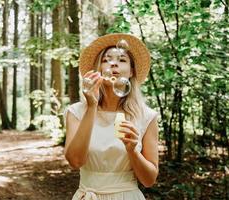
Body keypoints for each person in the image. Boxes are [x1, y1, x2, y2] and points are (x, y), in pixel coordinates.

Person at [64, 33, 159, 200]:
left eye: (122, 60)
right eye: (106, 59)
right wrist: (92, 106)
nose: (113, 63)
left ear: (131, 72)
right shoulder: (76, 112)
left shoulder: (146, 116)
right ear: (98, 70)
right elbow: (75, 161)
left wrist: (132, 151)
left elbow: (149, 180)